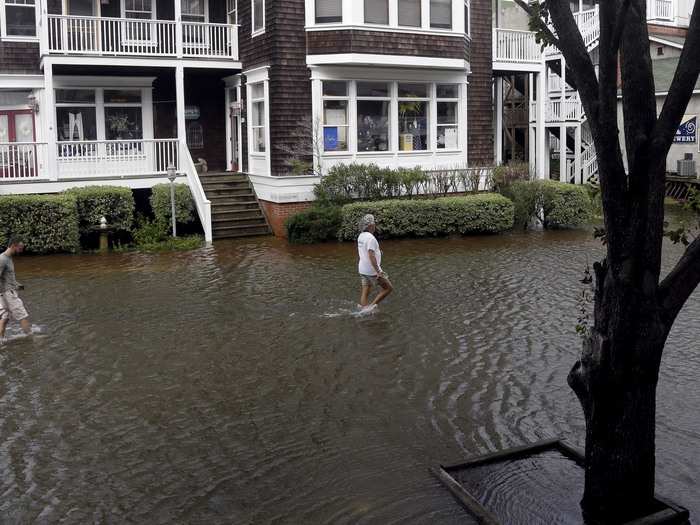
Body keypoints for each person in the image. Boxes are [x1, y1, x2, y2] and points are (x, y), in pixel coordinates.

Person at [357, 214, 393, 310]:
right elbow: (371, 255)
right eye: (373, 223)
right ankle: (371, 307)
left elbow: (366, 250)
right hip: (372, 271)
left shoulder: (361, 236)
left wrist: (378, 252)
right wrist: (378, 272)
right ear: (370, 226)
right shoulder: (371, 238)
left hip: (362, 270)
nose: (375, 225)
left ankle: (363, 309)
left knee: (365, 291)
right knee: (388, 288)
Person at [0, 238, 31, 343]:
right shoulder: (3, 259)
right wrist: (5, 292)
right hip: (8, 294)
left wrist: (19, 286)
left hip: (6, 293)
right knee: (22, 315)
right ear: (13, 245)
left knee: (5, 317)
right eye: (20, 248)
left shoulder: (8, 258)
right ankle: (31, 338)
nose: (21, 250)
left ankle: (1, 340)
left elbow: (8, 279)